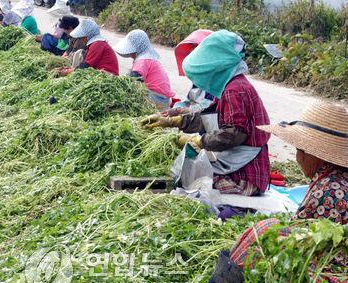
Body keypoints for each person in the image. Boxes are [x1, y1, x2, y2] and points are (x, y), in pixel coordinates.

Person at [201, 100, 348, 283]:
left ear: (312, 154)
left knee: (262, 236)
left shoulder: (329, 191)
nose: (297, 157)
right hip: (342, 274)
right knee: (262, 232)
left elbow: (303, 249)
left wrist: (264, 240)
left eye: (298, 151)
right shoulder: (346, 177)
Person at [142, 30, 271, 196]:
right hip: (234, 164)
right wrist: (175, 121)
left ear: (216, 67)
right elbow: (208, 118)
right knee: (185, 176)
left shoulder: (235, 90)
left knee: (191, 184)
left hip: (245, 176)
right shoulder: (229, 86)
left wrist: (200, 140)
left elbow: (232, 134)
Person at [114, 29, 175, 110]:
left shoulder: (143, 60)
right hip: (163, 98)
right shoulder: (149, 58)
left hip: (157, 98)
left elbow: (133, 81)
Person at [169, 29, 213, 114]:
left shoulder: (215, 78)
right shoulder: (200, 76)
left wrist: (185, 110)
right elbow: (187, 100)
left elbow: (209, 104)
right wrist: (177, 107)